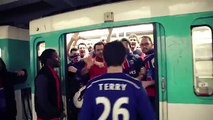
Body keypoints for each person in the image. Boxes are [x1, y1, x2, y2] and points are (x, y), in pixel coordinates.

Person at [78, 41, 155, 120]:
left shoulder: (92, 85)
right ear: (124, 60)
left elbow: (83, 117)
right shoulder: (136, 86)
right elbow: (149, 117)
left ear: (104, 59)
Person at [34, 49, 64, 120]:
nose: (59, 59)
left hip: (54, 115)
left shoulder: (53, 74)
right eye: (56, 57)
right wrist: (55, 112)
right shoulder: (43, 75)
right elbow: (42, 99)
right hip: (47, 116)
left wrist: (60, 109)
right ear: (49, 60)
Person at [140, 36, 156, 111]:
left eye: (146, 44)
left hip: (155, 95)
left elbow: (163, 76)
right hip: (149, 94)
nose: (144, 46)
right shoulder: (146, 58)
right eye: (142, 45)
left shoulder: (155, 56)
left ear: (152, 44)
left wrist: (147, 83)